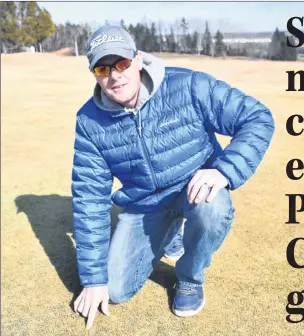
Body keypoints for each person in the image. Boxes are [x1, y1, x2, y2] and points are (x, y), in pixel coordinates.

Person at [71, 25, 274, 330]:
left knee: (213, 208)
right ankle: (170, 231)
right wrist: (93, 279)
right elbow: (89, 201)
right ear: (94, 74)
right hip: (144, 205)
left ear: (138, 60)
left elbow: (257, 117)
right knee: (113, 290)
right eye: (103, 68)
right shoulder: (89, 122)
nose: (115, 75)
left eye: (122, 63)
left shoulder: (188, 85)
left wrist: (224, 170)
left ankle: (190, 279)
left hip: (194, 190)